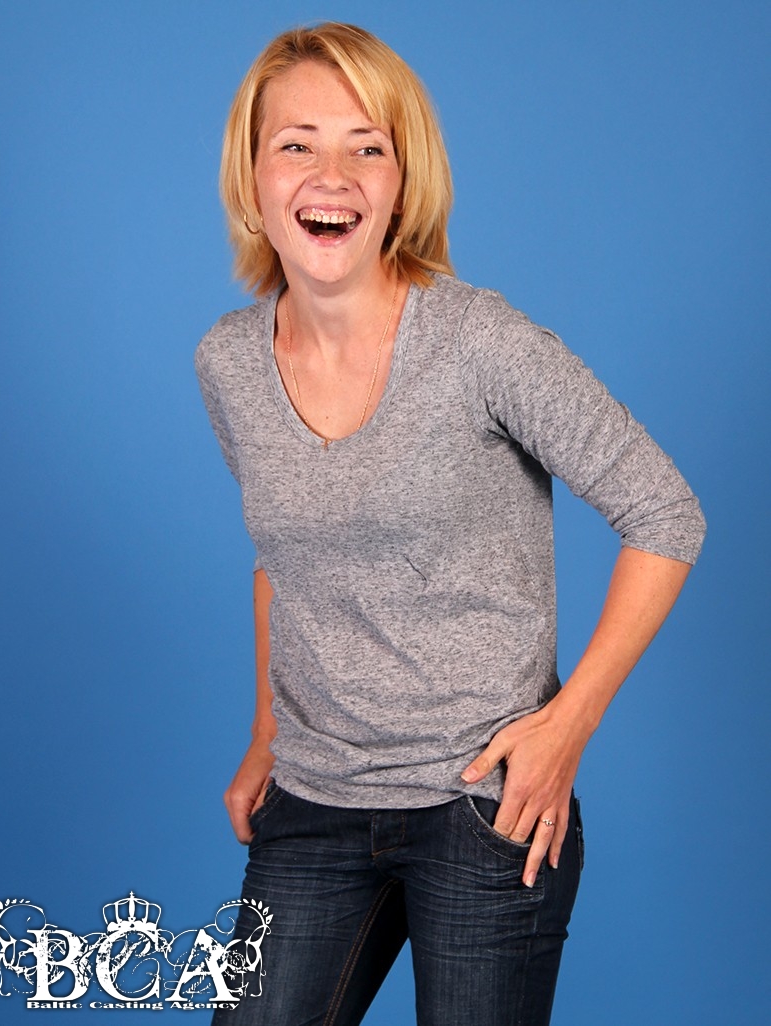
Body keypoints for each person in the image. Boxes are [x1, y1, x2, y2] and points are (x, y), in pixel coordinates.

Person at [196, 22, 705, 1026]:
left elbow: (666, 515)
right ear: (253, 179)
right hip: (313, 803)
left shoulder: (481, 343)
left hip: (482, 805)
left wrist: (567, 726)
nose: (331, 175)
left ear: (402, 183)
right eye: (296, 143)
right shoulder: (228, 362)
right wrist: (265, 737)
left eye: (367, 146)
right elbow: (283, 558)